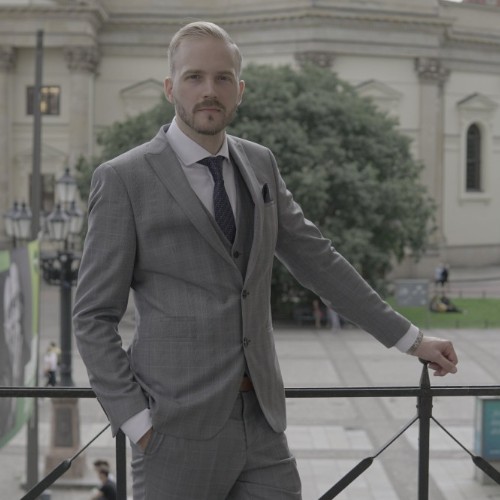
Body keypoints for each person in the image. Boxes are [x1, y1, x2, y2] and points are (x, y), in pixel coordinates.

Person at [73, 20, 458, 500]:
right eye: (194, 77)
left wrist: (411, 339)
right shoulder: (123, 179)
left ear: (239, 90)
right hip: (174, 432)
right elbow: (92, 316)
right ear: (170, 88)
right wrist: (137, 422)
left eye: (223, 78)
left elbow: (317, 260)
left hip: (263, 425)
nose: (209, 90)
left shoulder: (260, 164)